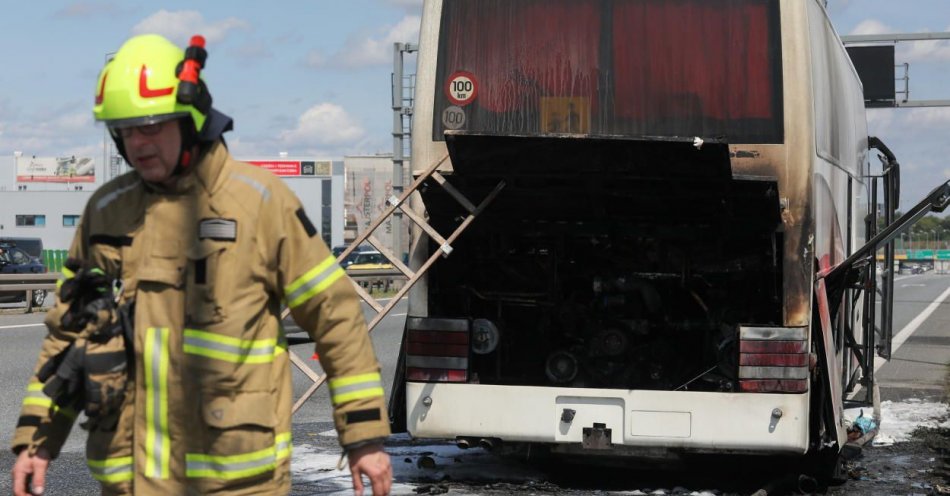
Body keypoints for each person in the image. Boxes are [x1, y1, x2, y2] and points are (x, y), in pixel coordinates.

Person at [10, 34, 392, 496]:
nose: (137, 143)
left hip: (234, 480)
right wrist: (37, 442)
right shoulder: (105, 212)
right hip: (130, 481)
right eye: (125, 130)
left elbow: (337, 318)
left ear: (191, 118)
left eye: (150, 127)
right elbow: (68, 333)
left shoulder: (261, 204)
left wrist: (364, 438)